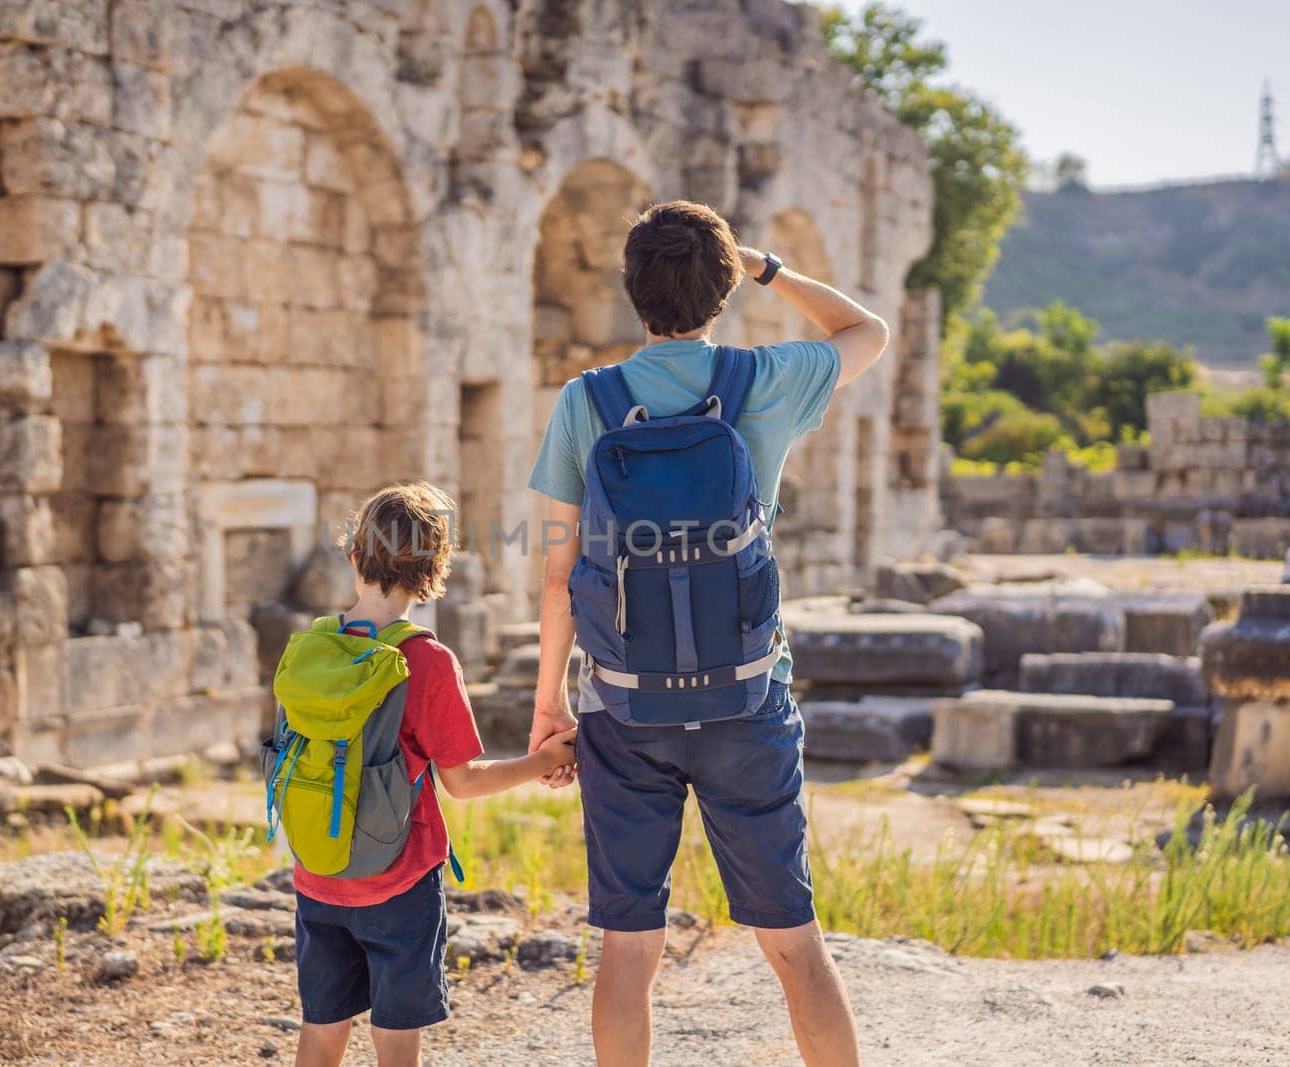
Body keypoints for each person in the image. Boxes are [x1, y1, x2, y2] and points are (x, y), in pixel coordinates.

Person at [527, 200, 889, 1066]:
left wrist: (548, 707)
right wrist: (767, 265)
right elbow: (866, 331)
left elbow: (555, 576)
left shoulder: (588, 401)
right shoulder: (769, 378)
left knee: (628, 946)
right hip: (747, 697)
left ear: (630, 289)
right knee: (793, 940)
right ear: (724, 289)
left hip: (623, 706)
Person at [291, 482, 578, 1067]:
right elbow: (464, 781)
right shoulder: (425, 660)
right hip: (398, 877)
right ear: (433, 569)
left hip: (317, 872)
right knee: (395, 1037)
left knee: (321, 1029)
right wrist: (548, 759)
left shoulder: (311, 648)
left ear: (353, 556)